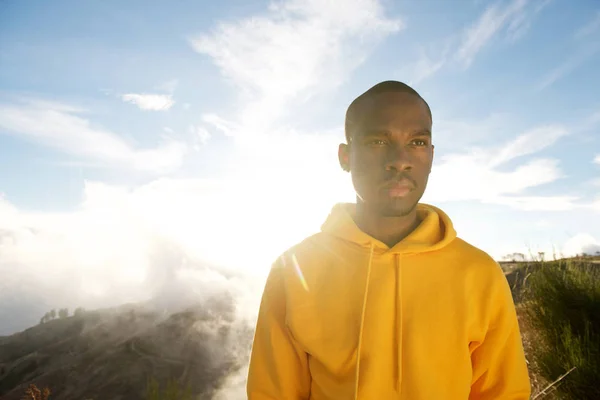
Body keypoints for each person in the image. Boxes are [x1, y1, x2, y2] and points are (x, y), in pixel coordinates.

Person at [246, 81, 531, 399]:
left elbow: (504, 393)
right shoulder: (294, 270)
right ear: (345, 157)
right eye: (378, 140)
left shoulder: (479, 273)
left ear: (432, 157)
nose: (400, 159)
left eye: (418, 142)